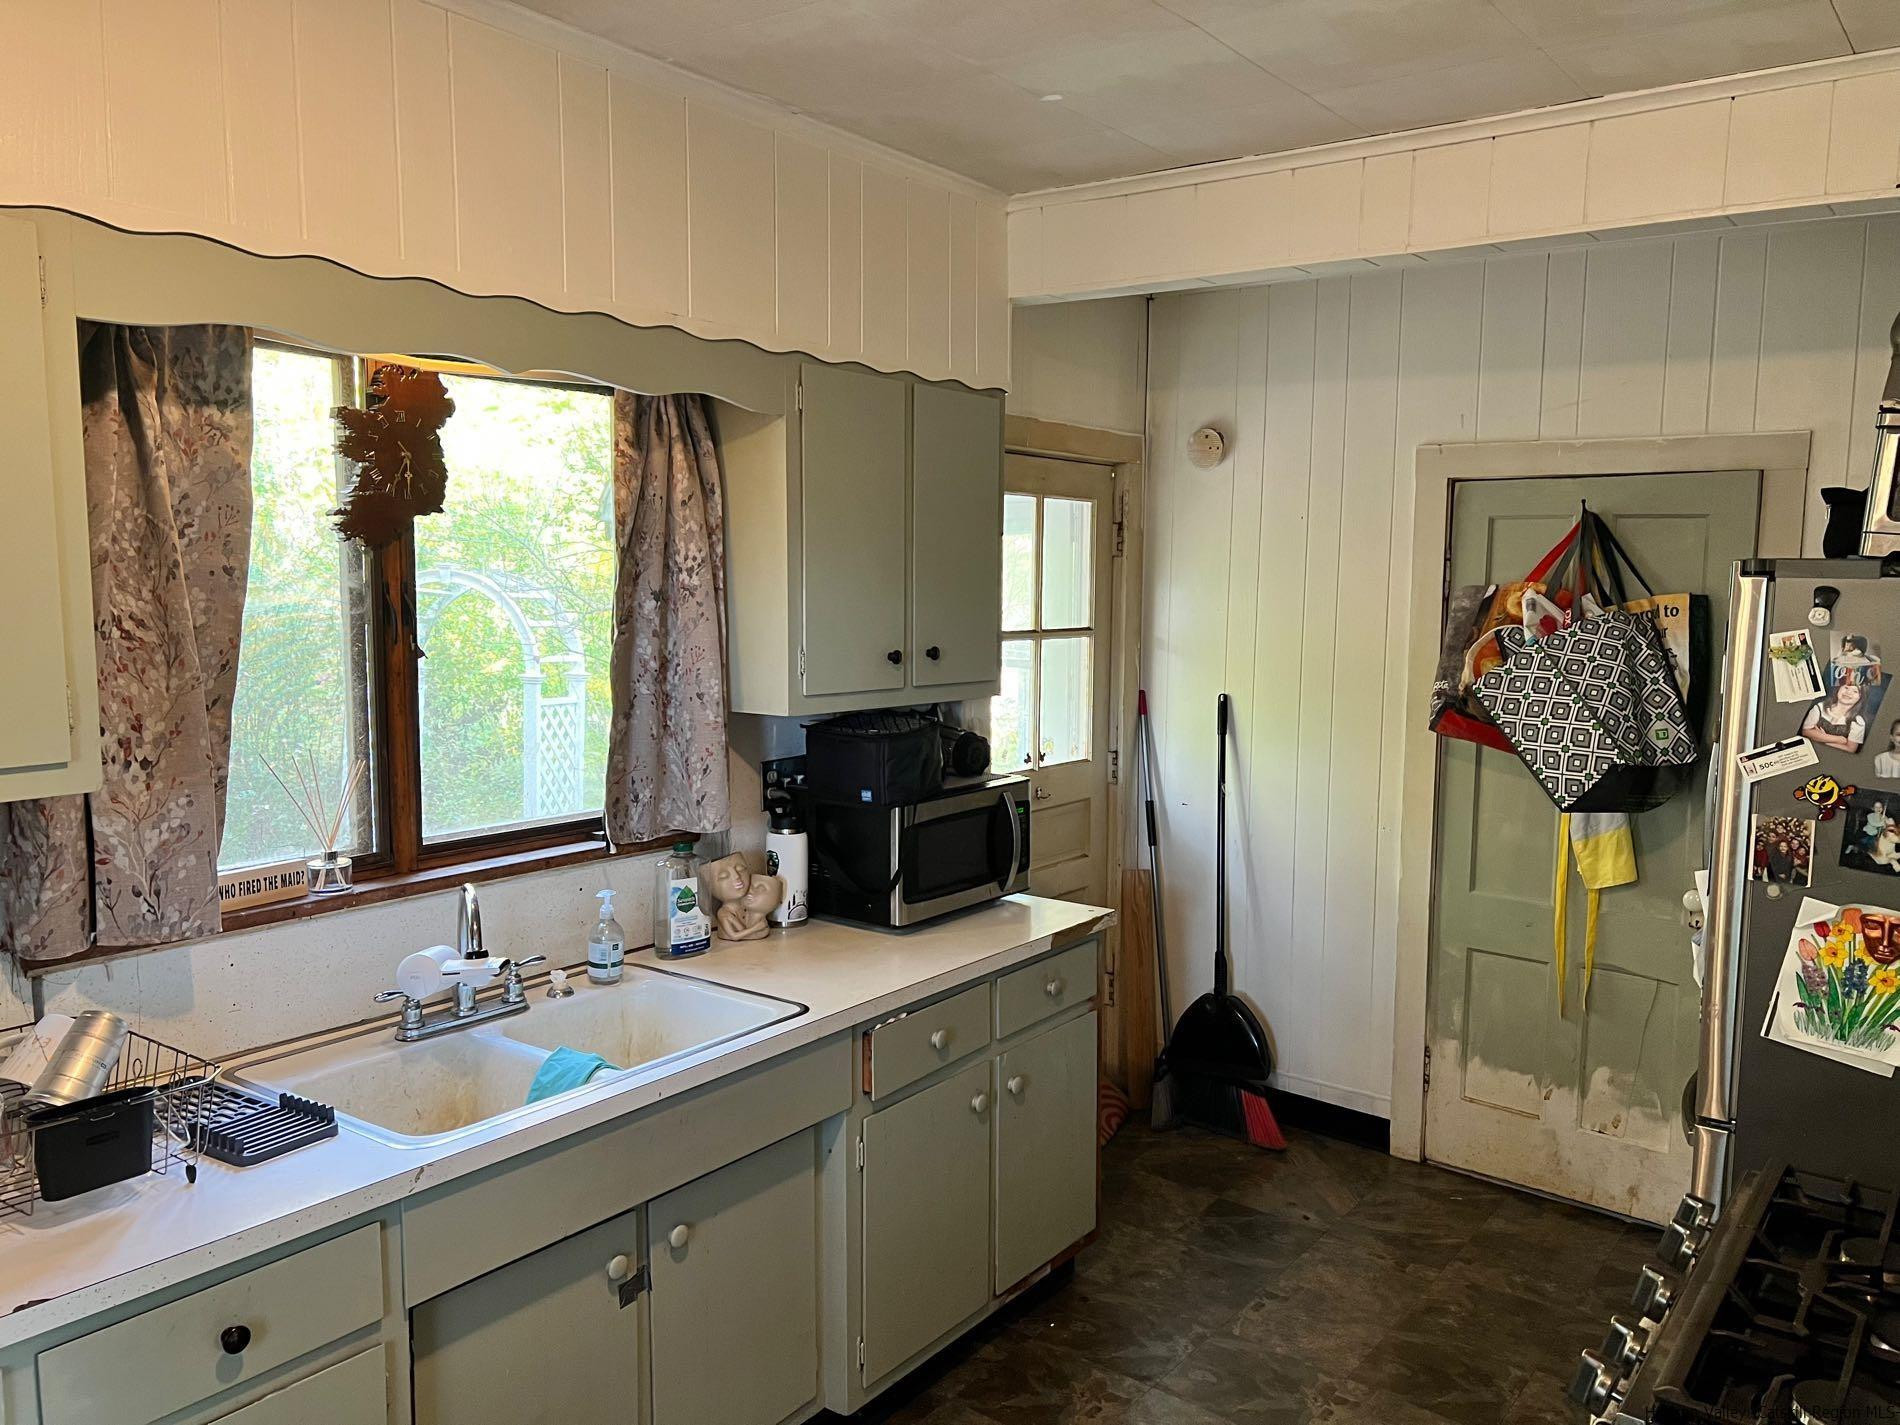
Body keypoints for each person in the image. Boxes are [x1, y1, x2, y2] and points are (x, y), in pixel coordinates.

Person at [1803, 681, 1870, 752]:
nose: (1848, 692)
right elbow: (1805, 731)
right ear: (1839, 689)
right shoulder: (1820, 707)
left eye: (1855, 691)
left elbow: (1850, 749)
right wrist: (1840, 740)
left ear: (1860, 697)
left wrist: (1822, 739)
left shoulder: (1858, 721)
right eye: (1846, 687)